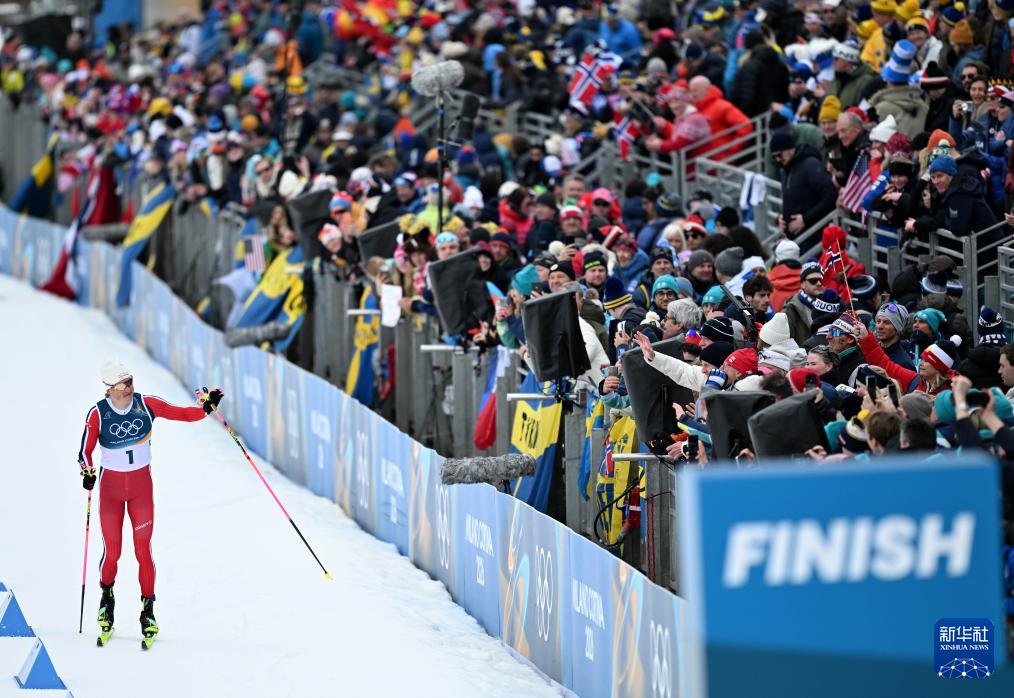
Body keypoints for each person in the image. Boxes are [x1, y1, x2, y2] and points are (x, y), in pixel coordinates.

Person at [78, 360, 223, 644]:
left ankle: (148, 610)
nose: (129, 388)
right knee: (113, 552)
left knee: (143, 550)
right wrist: (87, 472)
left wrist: (206, 409)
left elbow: (183, 414)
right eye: (123, 384)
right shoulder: (98, 413)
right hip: (111, 492)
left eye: (131, 381)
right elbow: (84, 451)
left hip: (141, 490)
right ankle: (107, 597)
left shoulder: (146, 405)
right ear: (109, 388)